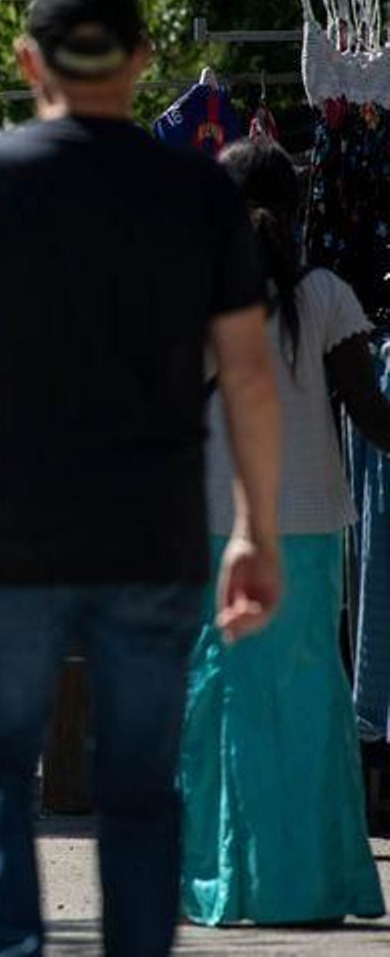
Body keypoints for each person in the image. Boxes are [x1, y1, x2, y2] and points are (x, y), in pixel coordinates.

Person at [0, 0, 282, 955]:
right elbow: (245, 373)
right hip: (150, 536)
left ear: (29, 60)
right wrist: (255, 529)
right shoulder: (200, 193)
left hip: (6, 535)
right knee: (141, 785)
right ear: (143, 60)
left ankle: (12, 946)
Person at [180, 138, 387, 925]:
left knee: (222, 697)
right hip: (307, 522)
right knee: (308, 698)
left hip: (212, 521)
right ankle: (314, 883)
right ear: (298, 207)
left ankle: (228, 884)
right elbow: (372, 416)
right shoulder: (328, 293)